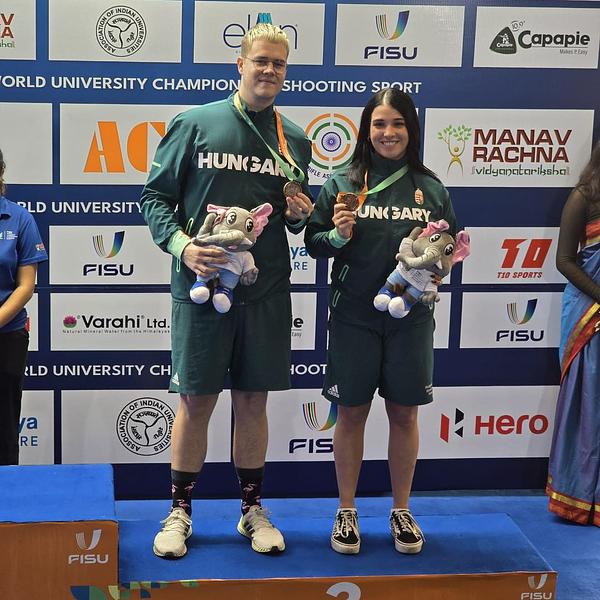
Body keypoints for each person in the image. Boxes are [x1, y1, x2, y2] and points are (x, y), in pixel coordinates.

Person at [140, 22, 312, 558]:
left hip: (264, 290)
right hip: (202, 282)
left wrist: (299, 215)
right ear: (240, 64)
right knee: (196, 400)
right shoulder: (195, 123)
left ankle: (252, 510)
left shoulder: (295, 139)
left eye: (278, 64)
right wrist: (182, 246)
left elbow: (292, 219)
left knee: (253, 400)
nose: (269, 70)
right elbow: (154, 198)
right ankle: (179, 511)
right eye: (261, 60)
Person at [305, 88, 457, 555]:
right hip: (354, 316)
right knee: (351, 413)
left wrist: (441, 267)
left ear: (411, 129)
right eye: (379, 124)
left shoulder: (431, 188)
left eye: (397, 123)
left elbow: (448, 249)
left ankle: (401, 509)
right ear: (365, 130)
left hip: (411, 318)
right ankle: (346, 510)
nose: (388, 133)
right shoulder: (343, 182)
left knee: (404, 413)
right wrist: (337, 234)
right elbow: (313, 244)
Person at [547, 140, 600, 526]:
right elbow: (564, 260)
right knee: (589, 401)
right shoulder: (584, 196)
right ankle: (580, 497)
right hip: (589, 313)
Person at [0, 148, 48, 465]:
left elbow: (26, 285)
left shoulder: (19, 218)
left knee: (4, 426)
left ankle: (5, 491)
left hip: (7, 336)